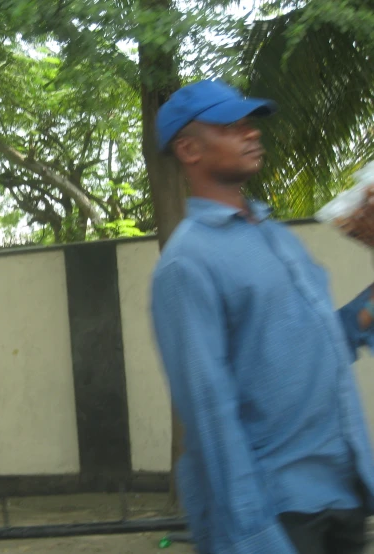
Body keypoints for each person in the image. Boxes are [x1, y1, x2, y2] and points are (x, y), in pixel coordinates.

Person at [151, 80, 374, 554]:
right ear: (189, 149)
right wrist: (254, 536)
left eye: (250, 124)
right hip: (279, 513)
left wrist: (364, 313)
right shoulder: (187, 263)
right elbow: (210, 412)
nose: (251, 134)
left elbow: (312, 345)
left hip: (340, 493)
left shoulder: (273, 235)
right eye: (231, 127)